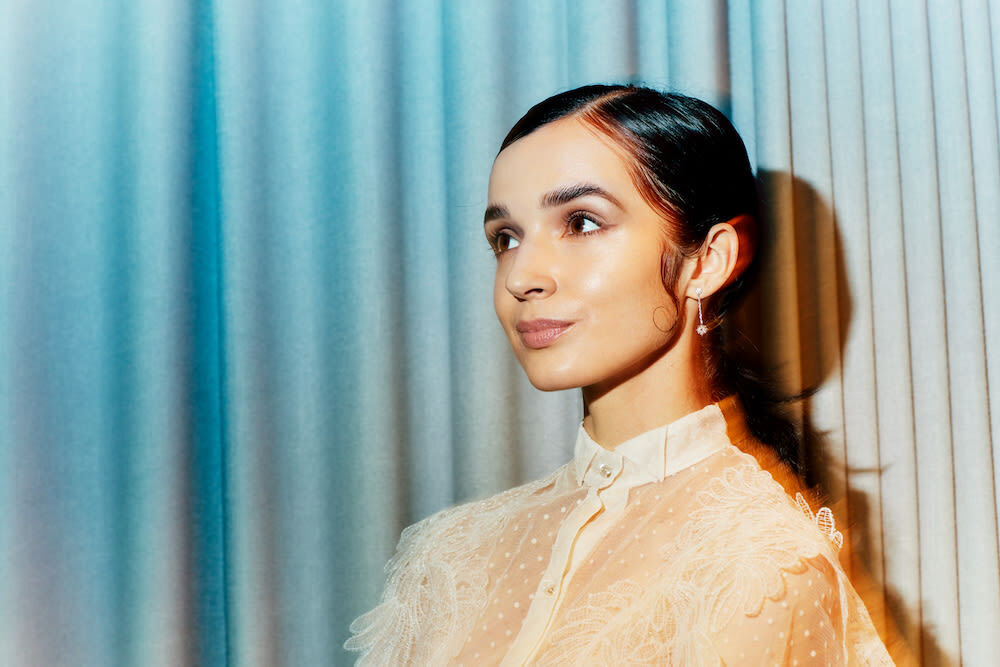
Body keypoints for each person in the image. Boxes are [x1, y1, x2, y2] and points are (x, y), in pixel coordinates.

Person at [345, 85, 893, 665]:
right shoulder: (447, 555)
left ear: (707, 261)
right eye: (506, 238)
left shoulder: (758, 567)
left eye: (581, 223)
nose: (521, 277)